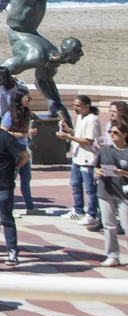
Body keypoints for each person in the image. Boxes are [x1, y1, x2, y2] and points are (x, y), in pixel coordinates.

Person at [0, 110, 30, 265]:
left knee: (6, 220)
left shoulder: (6, 138)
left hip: (3, 186)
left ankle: (12, 250)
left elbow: (25, 156)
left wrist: (14, 168)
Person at [60, 94, 104, 228]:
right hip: (77, 157)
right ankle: (78, 209)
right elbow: (79, 134)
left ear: (87, 106)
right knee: (75, 185)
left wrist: (68, 136)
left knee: (90, 189)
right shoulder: (80, 117)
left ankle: (92, 214)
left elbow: (88, 140)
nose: (75, 108)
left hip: (88, 159)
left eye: (78, 105)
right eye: (74, 105)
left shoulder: (92, 119)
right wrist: (68, 130)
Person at [95, 116, 128, 268]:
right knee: (109, 225)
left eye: (115, 132)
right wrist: (99, 172)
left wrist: (123, 173)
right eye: (110, 132)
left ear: (124, 134)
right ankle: (112, 255)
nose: (112, 134)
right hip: (105, 190)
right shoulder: (105, 150)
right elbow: (95, 167)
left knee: (126, 225)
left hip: (123, 193)